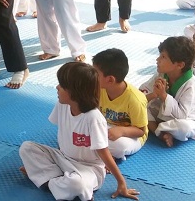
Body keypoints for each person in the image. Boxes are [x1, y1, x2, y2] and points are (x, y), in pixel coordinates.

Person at [19, 62, 140, 201]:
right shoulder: (62, 105)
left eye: (62, 86)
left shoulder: (93, 118)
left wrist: (121, 182)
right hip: (63, 157)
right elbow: (64, 134)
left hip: (88, 169)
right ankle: (58, 182)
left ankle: (47, 181)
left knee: (77, 184)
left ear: (75, 92)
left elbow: (104, 152)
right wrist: (57, 158)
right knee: (27, 148)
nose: (57, 87)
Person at [139, 36, 195, 147]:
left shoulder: (191, 84)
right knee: (138, 106)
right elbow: (140, 93)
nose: (157, 60)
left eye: (163, 57)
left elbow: (181, 115)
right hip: (163, 116)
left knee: (184, 127)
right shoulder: (162, 74)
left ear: (180, 65)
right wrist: (154, 95)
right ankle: (160, 132)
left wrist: (163, 95)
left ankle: (158, 129)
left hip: (186, 118)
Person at [92, 48, 148, 160]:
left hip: (130, 135)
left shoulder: (135, 99)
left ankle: (98, 152)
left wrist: (121, 131)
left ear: (110, 80)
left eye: (95, 73)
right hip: (107, 127)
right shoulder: (99, 88)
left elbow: (141, 131)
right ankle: (97, 149)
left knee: (120, 147)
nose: (92, 76)